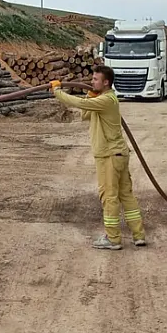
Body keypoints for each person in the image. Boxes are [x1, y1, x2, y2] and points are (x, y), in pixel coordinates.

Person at [51, 65, 145, 250]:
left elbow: (79, 105)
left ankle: (113, 239)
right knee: (126, 195)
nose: (91, 82)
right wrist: (90, 94)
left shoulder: (107, 100)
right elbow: (85, 115)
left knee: (109, 197)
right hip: (117, 154)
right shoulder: (102, 100)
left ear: (106, 82)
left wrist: (57, 91)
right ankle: (138, 235)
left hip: (109, 156)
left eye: (95, 79)